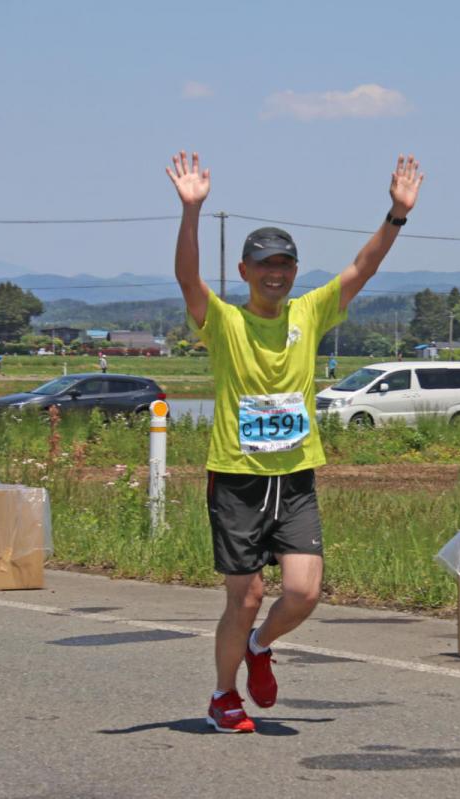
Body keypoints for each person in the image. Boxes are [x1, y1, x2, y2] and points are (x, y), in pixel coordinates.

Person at [167, 150, 423, 733]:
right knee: (247, 594)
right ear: (245, 271)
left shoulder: (309, 313)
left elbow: (363, 268)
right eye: (264, 265)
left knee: (304, 593)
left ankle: (259, 647)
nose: (275, 273)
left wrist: (396, 214)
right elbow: (187, 279)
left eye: (284, 264)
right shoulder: (225, 322)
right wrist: (191, 212)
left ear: (294, 271)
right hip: (235, 477)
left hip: (296, 476)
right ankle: (222, 695)